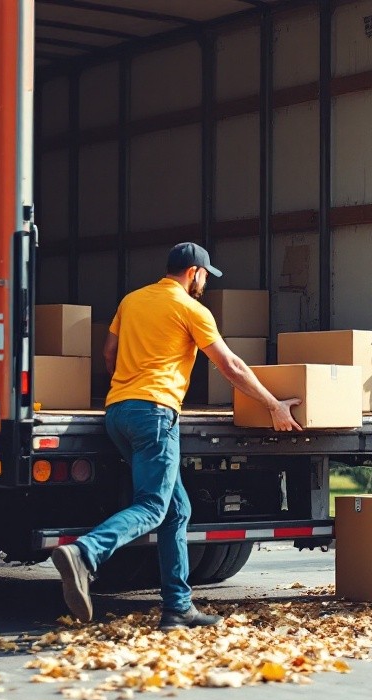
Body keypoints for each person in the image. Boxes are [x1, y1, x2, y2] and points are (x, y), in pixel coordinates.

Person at [51, 242, 303, 630]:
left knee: (176, 510)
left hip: (118, 411)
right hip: (154, 413)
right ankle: (86, 553)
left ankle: (178, 608)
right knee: (153, 506)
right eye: (205, 275)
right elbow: (231, 365)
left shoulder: (132, 301)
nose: (204, 281)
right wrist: (273, 405)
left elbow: (107, 352)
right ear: (194, 273)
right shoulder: (191, 309)